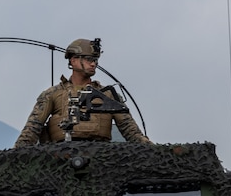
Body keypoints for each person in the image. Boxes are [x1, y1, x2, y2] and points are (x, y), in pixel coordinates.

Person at [14, 38, 150, 147]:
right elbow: (31, 130)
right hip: (60, 157)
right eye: (88, 59)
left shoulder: (107, 94)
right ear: (73, 60)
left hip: (102, 156)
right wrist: (15, 155)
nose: (93, 64)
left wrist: (151, 149)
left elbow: (130, 130)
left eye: (95, 60)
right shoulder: (53, 94)